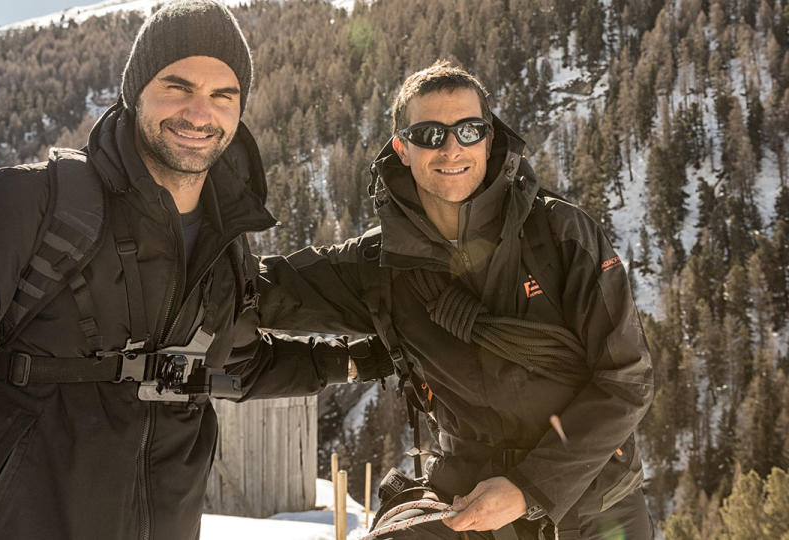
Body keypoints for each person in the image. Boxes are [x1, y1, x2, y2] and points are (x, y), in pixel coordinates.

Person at [0, 2, 391, 539]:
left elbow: (234, 365)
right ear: (134, 92)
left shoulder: (226, 246)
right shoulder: (26, 207)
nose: (202, 113)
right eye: (178, 87)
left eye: (224, 94)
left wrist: (357, 360)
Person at [256, 60, 655, 539]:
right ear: (402, 148)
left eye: (469, 130)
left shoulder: (562, 235)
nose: (451, 148)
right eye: (429, 133)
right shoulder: (378, 265)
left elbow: (626, 379)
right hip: (466, 506)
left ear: (488, 139)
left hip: (594, 508)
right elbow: (260, 289)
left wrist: (528, 488)